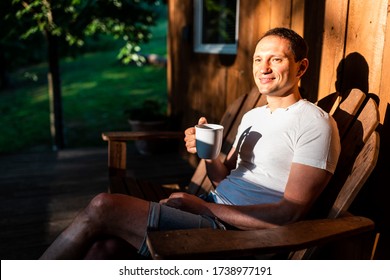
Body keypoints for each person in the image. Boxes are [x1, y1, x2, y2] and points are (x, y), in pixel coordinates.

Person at [39, 27, 341, 259]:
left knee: (104, 206)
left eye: (276, 59)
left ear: (301, 68)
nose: (263, 68)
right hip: (210, 211)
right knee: (105, 250)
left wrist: (203, 209)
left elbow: (289, 215)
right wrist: (207, 154)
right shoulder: (254, 116)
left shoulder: (314, 123)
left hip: (237, 236)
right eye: (258, 59)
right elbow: (224, 178)